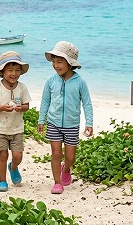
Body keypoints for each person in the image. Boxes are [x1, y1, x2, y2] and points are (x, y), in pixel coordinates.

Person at [37, 41, 93, 194]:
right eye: (53, 61)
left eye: (59, 61)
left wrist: (89, 123)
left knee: (70, 157)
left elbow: (87, 103)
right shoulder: (50, 81)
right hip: (54, 122)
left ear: (70, 63)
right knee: (55, 153)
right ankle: (57, 183)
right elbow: (45, 101)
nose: (55, 65)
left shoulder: (80, 82)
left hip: (72, 125)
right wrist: (41, 119)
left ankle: (66, 168)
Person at [0, 51, 32, 192]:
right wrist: (3, 107)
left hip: (16, 128)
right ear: (2, 72)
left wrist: (21, 108)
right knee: (2, 155)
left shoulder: (22, 87)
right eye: (10, 70)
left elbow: (27, 106)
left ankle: (13, 167)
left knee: (18, 156)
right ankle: (2, 181)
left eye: (17, 70)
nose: (14, 73)